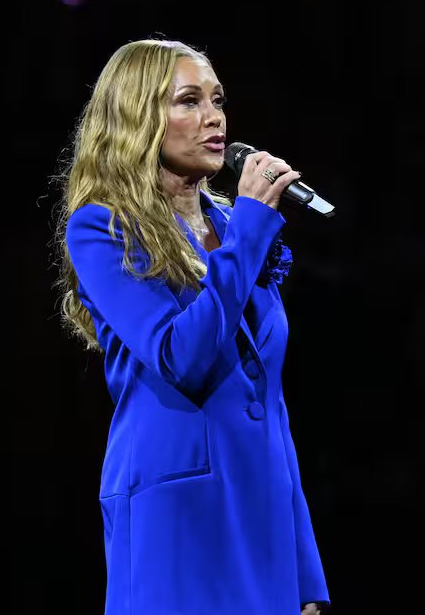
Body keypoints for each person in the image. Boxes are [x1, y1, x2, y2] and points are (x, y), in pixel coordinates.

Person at [54, 39, 329, 614]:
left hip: (260, 515)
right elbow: (181, 355)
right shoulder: (102, 229)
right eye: (188, 101)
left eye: (217, 100)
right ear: (137, 118)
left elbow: (270, 404)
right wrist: (249, 229)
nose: (214, 117)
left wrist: (306, 575)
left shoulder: (235, 225)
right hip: (177, 514)